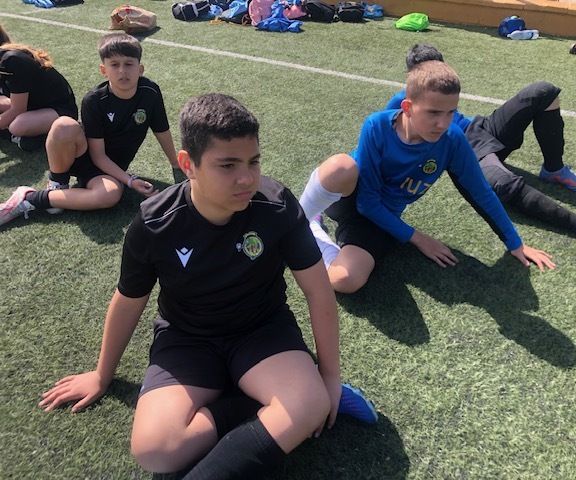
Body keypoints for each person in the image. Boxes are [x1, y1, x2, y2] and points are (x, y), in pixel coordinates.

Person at [39, 93, 344, 478]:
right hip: (188, 339)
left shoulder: (276, 205)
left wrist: (330, 377)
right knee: (156, 450)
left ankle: (290, 394)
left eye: (253, 162)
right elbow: (129, 300)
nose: (247, 178)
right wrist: (102, 375)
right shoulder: (155, 222)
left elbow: (318, 291)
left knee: (309, 404)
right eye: (227, 165)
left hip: (262, 333)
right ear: (188, 165)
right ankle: (256, 404)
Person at [299, 61, 556, 294]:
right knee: (340, 166)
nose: (443, 123)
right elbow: (366, 201)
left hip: (379, 219)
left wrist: (515, 243)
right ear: (408, 108)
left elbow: (481, 192)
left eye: (450, 113)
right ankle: (296, 222)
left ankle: (314, 230)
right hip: (347, 196)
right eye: (434, 113)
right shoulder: (377, 125)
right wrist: (419, 238)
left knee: (346, 281)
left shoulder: (452, 140)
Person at [385, 44, 576, 258]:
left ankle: (554, 168)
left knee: (543, 91)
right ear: (410, 77)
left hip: (480, 128)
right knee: (502, 182)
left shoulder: (444, 90)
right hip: (466, 149)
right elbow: (392, 143)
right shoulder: (400, 106)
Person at [0, 33, 178, 226]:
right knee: (64, 125)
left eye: (129, 64)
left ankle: (31, 198)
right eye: (114, 65)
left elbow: (161, 130)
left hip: (107, 170)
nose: (122, 71)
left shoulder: (150, 92)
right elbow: (98, 156)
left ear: (140, 69)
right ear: (104, 70)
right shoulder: (94, 99)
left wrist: (175, 163)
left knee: (110, 195)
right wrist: (130, 180)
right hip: (84, 155)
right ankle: (58, 182)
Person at [0, 35, 77, 151]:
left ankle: (27, 137)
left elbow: (18, 109)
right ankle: (18, 136)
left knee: (17, 126)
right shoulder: (6, 57)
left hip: (60, 110)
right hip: (34, 104)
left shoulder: (12, 61)